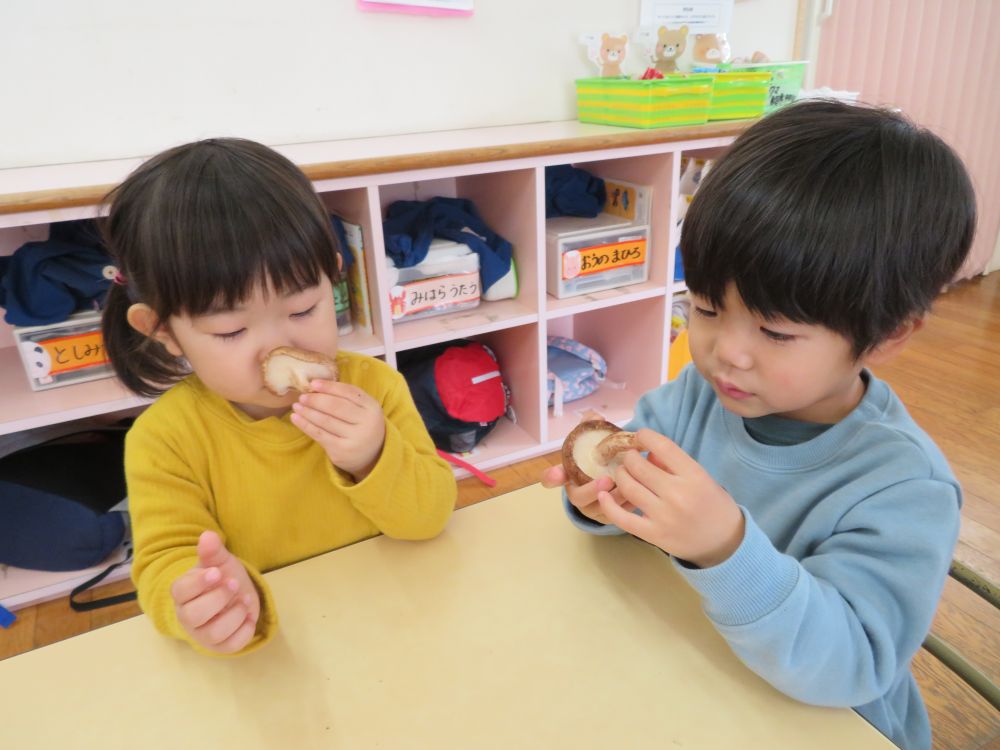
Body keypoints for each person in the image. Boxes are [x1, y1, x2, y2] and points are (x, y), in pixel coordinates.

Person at [542, 100, 976, 750]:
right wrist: (604, 502)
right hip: (687, 676)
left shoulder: (904, 488)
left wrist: (724, 548)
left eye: (775, 331)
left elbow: (853, 664)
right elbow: (641, 469)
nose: (725, 352)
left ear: (886, 336)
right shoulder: (702, 393)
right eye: (707, 308)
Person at [101, 138, 456, 656]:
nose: (280, 347)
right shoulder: (165, 440)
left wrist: (375, 455)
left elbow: (429, 517)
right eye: (230, 331)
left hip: (400, 623)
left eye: (303, 309)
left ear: (334, 277)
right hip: (279, 646)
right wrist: (203, 603)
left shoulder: (376, 388)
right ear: (163, 331)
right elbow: (165, 564)